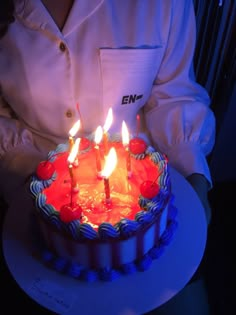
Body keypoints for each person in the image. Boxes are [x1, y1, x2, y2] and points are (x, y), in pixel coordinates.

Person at [0, 1, 215, 314]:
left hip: (149, 200)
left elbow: (174, 93)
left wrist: (194, 174)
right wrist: (38, 182)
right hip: (28, 204)